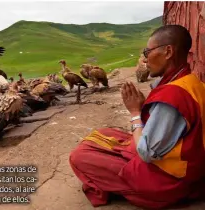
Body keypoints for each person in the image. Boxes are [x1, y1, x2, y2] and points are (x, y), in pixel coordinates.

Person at [69, 24, 205, 209]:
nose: (145, 59)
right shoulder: (190, 81)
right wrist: (141, 110)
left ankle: (123, 186)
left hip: (170, 181)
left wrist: (135, 113)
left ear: (168, 51)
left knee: (79, 157)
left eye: (147, 51)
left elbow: (146, 153)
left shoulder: (174, 96)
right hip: (186, 164)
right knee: (104, 133)